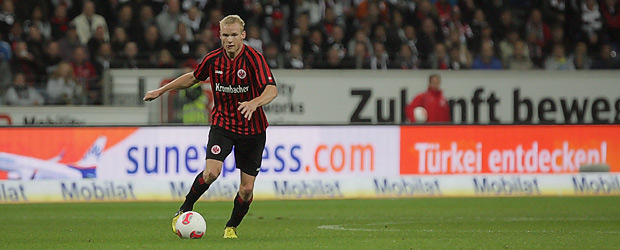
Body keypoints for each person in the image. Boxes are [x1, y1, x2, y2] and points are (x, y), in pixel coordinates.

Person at [143, 15, 278, 239]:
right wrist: (161, 90)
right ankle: (185, 208)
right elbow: (193, 77)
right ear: (220, 36)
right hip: (223, 124)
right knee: (211, 173)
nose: (230, 40)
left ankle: (231, 227)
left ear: (243, 35)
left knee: (246, 190)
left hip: (252, 129)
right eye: (225, 35)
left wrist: (254, 103)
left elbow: (272, 89)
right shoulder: (214, 59)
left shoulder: (254, 59)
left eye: (234, 35)